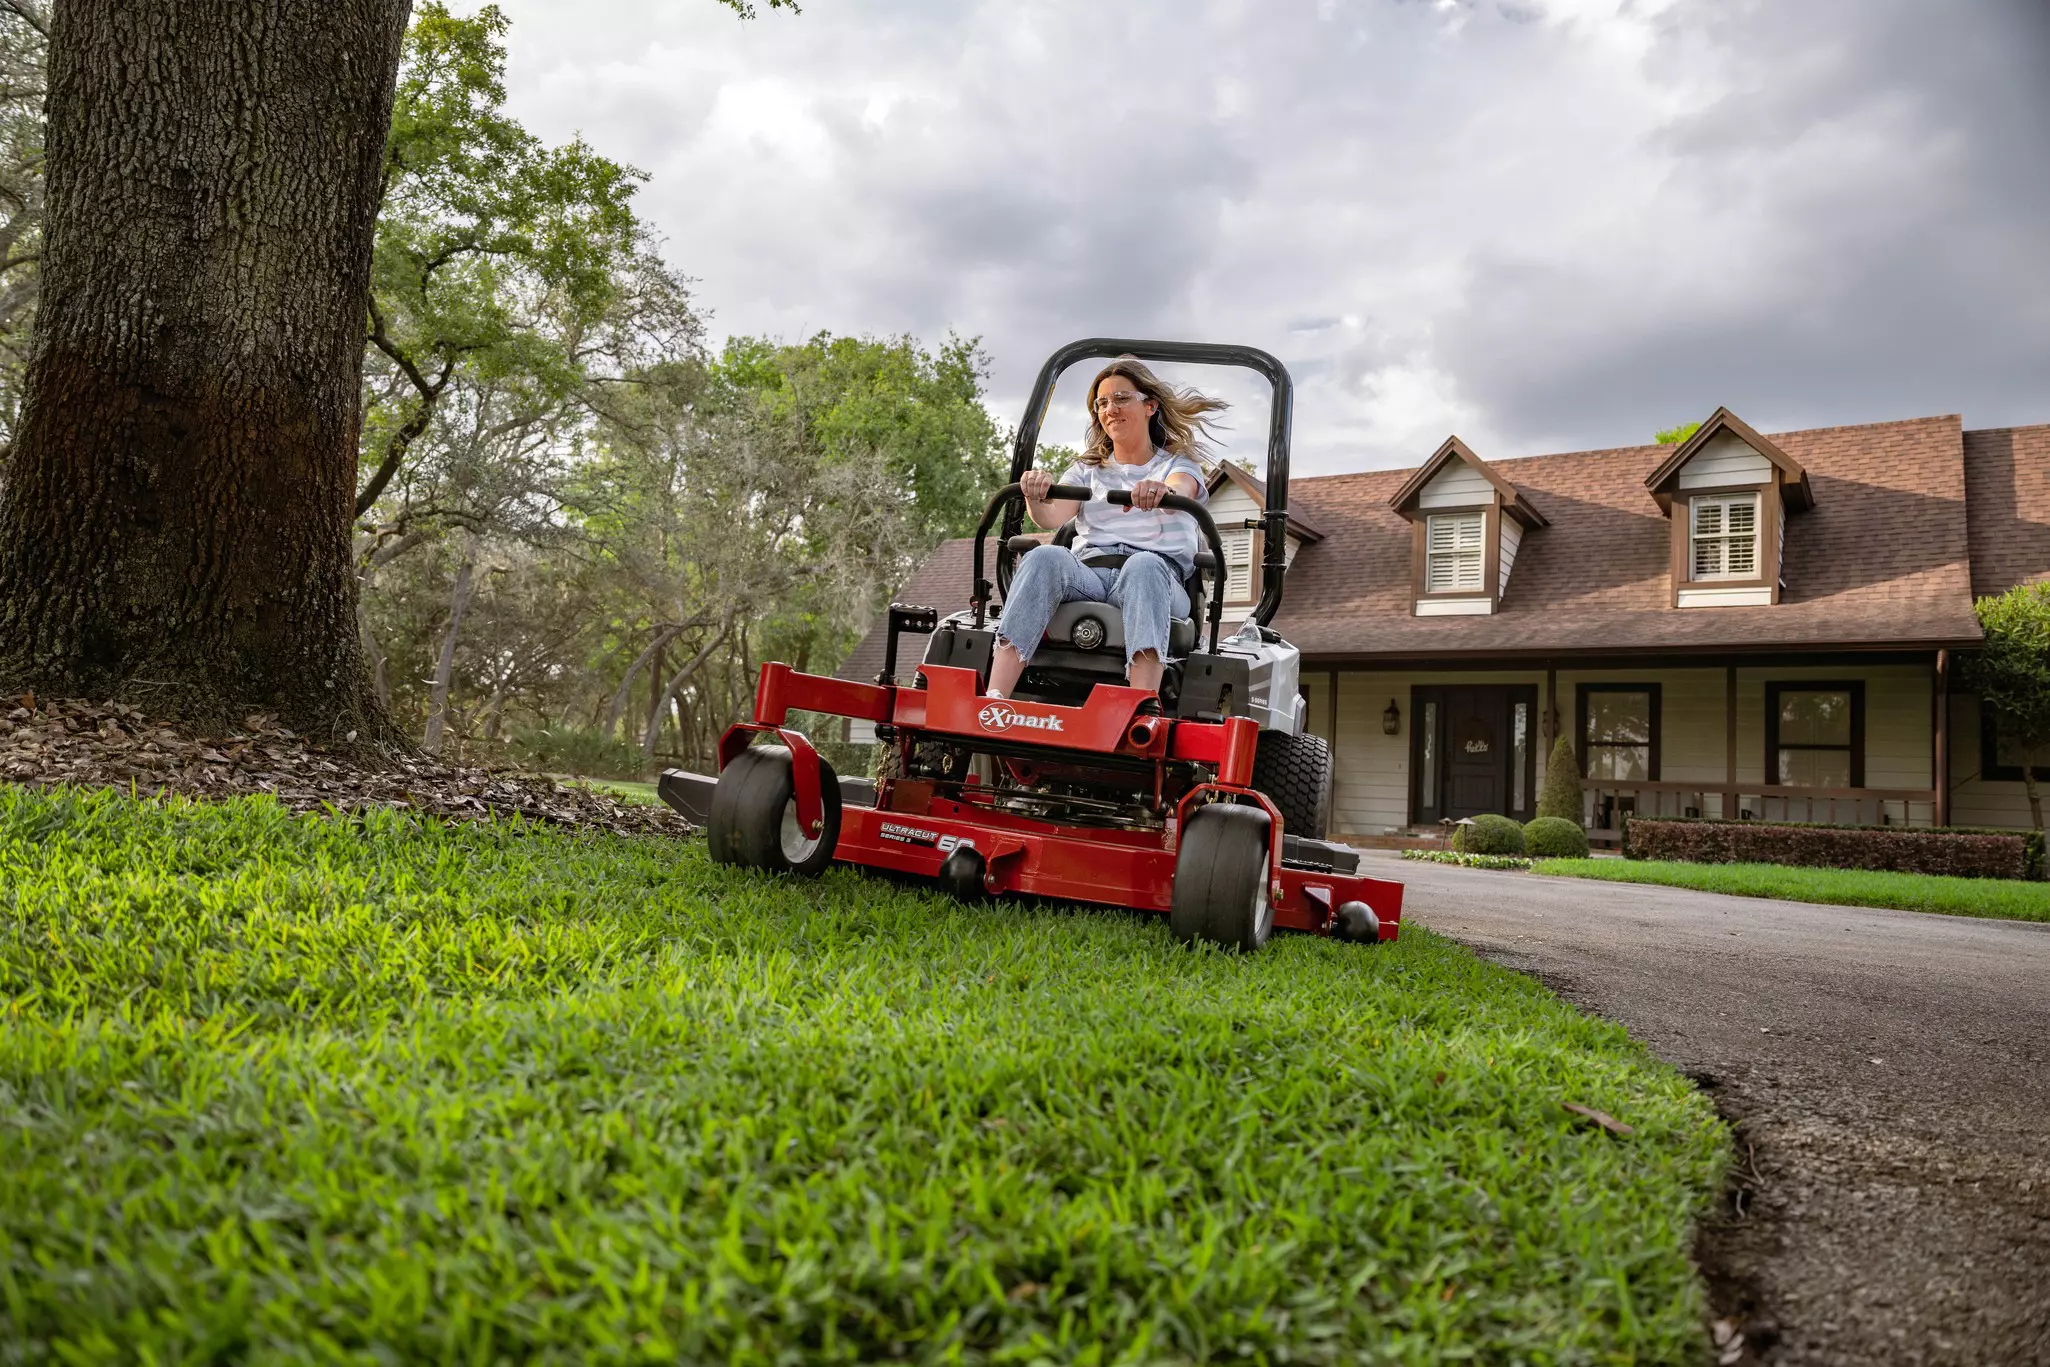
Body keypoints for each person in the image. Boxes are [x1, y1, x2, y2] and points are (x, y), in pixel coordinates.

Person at [985, 356, 1227, 699]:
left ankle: (1142, 707)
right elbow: (1052, 517)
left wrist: (1163, 491)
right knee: (1044, 557)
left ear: (1150, 406)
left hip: (1157, 578)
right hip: (1092, 575)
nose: (1110, 408)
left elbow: (1182, 487)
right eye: (1102, 403)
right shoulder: (1088, 468)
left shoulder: (1178, 464)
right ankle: (996, 698)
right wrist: (1036, 494)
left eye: (1121, 398)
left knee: (1144, 565)